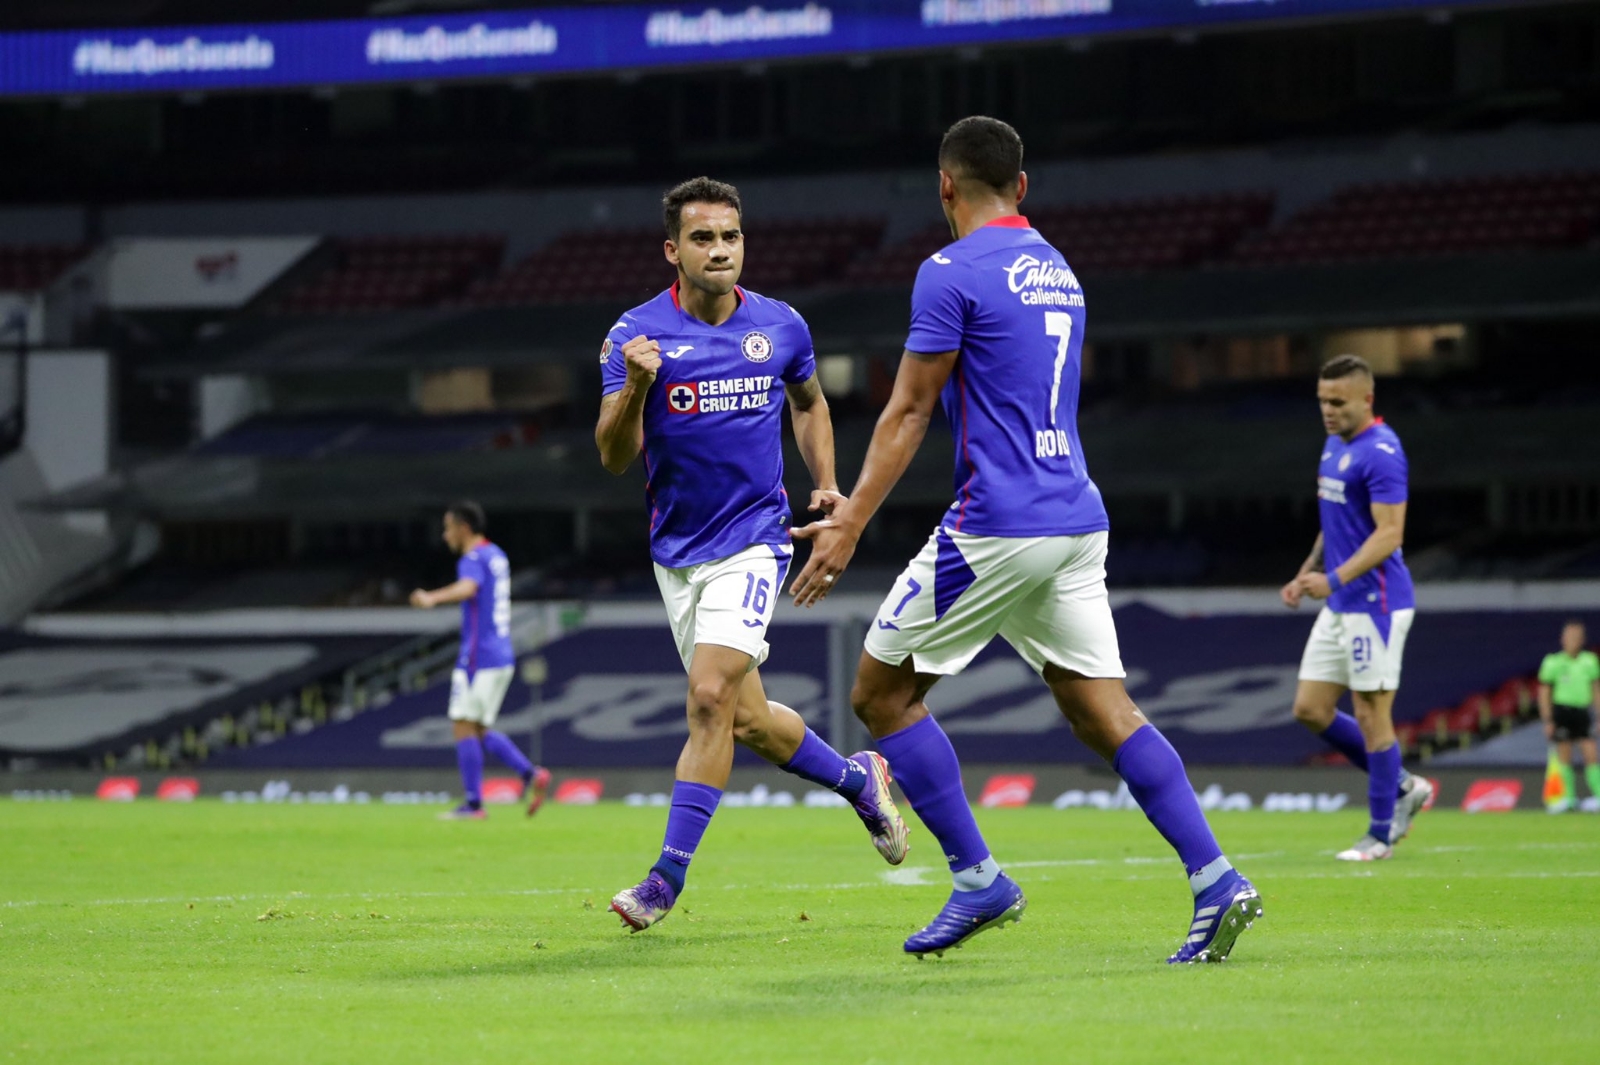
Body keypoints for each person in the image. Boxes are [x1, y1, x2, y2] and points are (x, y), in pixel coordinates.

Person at [789, 117, 1260, 963]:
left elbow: (907, 410)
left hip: (999, 524)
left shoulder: (948, 271)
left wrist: (851, 518)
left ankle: (978, 879)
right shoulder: (1060, 270)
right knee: (1100, 708)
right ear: (1023, 185)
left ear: (945, 187)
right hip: (1076, 516)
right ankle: (1215, 876)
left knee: (879, 694)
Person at [595, 177, 908, 933]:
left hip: (753, 540)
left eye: (730, 236)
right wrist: (636, 387)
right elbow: (611, 457)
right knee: (747, 719)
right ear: (673, 251)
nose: (720, 249)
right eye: (703, 238)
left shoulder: (781, 326)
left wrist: (827, 483)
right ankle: (857, 778)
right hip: (678, 553)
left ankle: (664, 879)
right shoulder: (632, 337)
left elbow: (809, 401)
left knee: (708, 696)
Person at [1280, 355, 1432, 860]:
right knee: (1310, 708)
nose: (1327, 410)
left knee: (1372, 714)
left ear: (1367, 399)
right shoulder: (1333, 444)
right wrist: (1309, 571)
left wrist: (1336, 578)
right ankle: (1406, 785)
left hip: (1378, 603)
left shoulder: (1383, 452)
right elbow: (1336, 520)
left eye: (1337, 402)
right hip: (1341, 599)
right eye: (1323, 400)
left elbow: (1391, 533)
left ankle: (1380, 835)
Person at [410, 501, 551, 820]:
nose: (445, 536)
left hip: (480, 657)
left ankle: (474, 805)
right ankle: (530, 775)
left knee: (462, 725)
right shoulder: (496, 554)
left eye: (447, 528)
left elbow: (469, 587)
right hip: (500, 652)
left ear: (463, 528)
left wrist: (432, 597)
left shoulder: (472, 558)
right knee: (478, 729)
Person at [1537, 619, 1600, 813]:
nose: (1572, 640)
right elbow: (1544, 692)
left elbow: (1596, 690)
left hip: (1582, 711)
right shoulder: (1553, 662)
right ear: (1562, 639)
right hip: (1562, 711)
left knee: (1590, 753)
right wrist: (1548, 719)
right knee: (1564, 755)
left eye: (1576, 637)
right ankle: (1569, 799)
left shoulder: (1589, 661)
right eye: (1569, 636)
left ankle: (1598, 795)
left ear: (1582, 640)